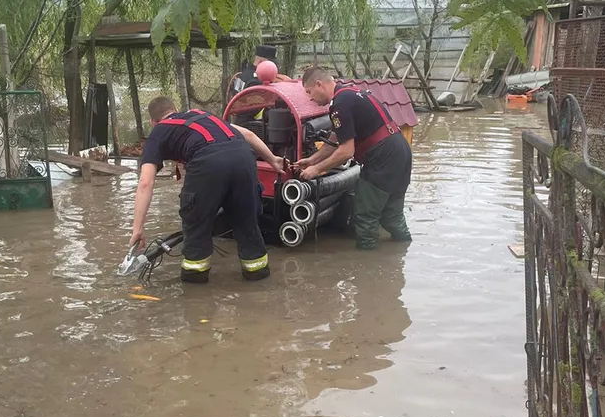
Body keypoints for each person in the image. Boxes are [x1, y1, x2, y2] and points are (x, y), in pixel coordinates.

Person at [129, 96, 285, 283]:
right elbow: (249, 135)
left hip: (206, 163)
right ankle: (258, 279)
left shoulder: (158, 132)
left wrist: (137, 228)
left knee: (197, 225)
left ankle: (195, 292)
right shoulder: (202, 115)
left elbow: (145, 182)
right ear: (176, 108)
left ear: (153, 122)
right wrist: (273, 160)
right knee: (246, 222)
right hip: (244, 157)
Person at [296, 66, 412, 249]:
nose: (310, 98)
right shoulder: (349, 92)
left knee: (365, 216)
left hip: (382, 157)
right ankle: (402, 254)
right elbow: (337, 136)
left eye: (309, 92)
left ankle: (365, 268)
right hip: (400, 150)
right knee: (392, 215)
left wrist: (316, 170)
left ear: (319, 84)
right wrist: (313, 159)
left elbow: (346, 151)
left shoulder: (339, 104)